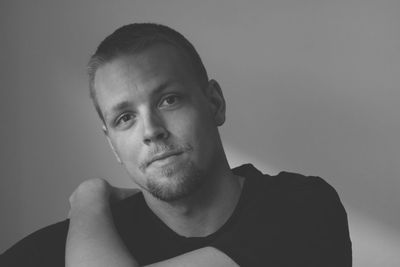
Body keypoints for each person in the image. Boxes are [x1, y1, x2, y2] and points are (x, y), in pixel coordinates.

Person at [1, 23, 352, 266]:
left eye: (168, 100)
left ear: (214, 103)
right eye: (125, 118)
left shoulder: (302, 209)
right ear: (112, 144)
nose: (151, 131)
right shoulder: (52, 252)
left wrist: (88, 198)